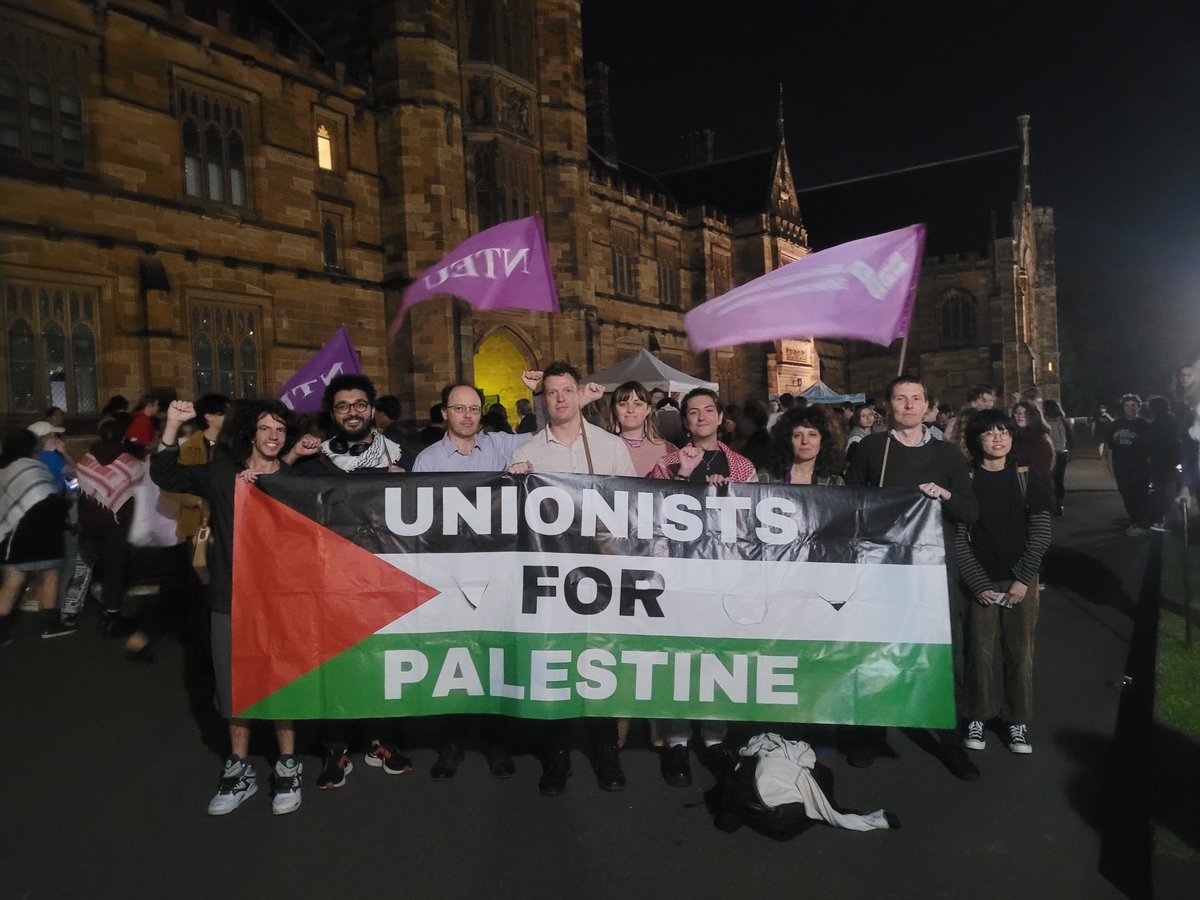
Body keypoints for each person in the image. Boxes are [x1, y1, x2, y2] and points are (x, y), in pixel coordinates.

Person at [150, 398, 305, 816]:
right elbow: (165, 473)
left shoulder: (294, 482)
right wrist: (173, 425)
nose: (273, 437)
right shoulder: (223, 475)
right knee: (235, 686)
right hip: (229, 599)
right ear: (250, 434)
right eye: (265, 429)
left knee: (282, 682)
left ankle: (288, 767)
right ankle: (239, 770)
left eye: (280, 431)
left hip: (281, 603)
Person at [844, 374, 980, 780]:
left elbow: (971, 512)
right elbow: (849, 505)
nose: (908, 405)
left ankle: (951, 742)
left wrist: (946, 495)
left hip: (934, 573)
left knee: (941, 657)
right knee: (876, 652)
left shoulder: (948, 455)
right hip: (884, 571)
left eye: (916, 399)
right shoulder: (872, 449)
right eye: (900, 399)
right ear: (888, 406)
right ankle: (873, 732)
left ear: (928, 406)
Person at [507, 361, 634, 796]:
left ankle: (605, 750)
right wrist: (513, 485)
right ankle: (557, 754)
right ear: (543, 400)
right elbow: (510, 523)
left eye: (567, 390)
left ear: (580, 395)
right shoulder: (525, 454)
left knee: (599, 660)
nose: (560, 398)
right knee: (555, 662)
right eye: (552, 392)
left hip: (600, 576)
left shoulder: (610, 447)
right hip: (549, 578)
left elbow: (633, 510)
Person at [286, 374, 416, 789]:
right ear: (332, 413)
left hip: (386, 577)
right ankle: (336, 747)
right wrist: (290, 453)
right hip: (330, 580)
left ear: (372, 408)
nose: (353, 412)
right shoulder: (313, 461)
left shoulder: (401, 454)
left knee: (382, 659)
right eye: (343, 406)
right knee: (336, 661)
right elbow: (277, 495)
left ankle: (381, 739)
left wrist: (406, 481)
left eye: (360, 404)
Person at [413, 381, 537, 781]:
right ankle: (452, 743)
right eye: (459, 408)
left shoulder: (501, 447)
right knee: (455, 656)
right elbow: (417, 520)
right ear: (444, 413)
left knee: (492, 655)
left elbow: (549, 432)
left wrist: (537, 396)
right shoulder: (429, 460)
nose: (468, 415)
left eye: (474, 408)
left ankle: (495, 741)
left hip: (496, 572)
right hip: (450, 575)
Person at [648, 387, 757, 787]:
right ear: (685, 420)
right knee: (675, 654)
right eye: (693, 412)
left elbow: (753, 524)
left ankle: (713, 738)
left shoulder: (742, 466)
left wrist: (727, 493)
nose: (701, 417)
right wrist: (682, 477)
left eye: (708, 410)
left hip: (721, 575)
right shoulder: (667, 463)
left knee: (716, 654)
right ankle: (676, 740)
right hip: (677, 575)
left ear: (719, 416)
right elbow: (651, 515)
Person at [957, 409, 1052, 755]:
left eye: (1004, 432)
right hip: (980, 580)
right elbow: (959, 538)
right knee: (978, 652)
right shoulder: (965, 481)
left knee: (1020, 652)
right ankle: (978, 714)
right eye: (989, 433)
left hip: (1019, 582)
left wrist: (1024, 578)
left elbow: (1040, 533)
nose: (998, 438)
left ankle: (1017, 721)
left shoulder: (1028, 477)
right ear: (976, 440)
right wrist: (977, 582)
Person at [0, 429, 74, 643]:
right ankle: (50, 626)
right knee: (49, 574)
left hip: (13, 532)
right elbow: (49, 494)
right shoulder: (35, 467)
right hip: (43, 528)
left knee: (12, 580)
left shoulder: (5, 470)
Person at [76, 418, 144, 637]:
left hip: (91, 522)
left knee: (103, 566)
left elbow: (83, 491)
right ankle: (112, 616)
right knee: (116, 568)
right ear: (122, 436)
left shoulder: (85, 460)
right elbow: (136, 489)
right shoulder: (130, 462)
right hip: (118, 523)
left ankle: (106, 610)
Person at [762, 404, 845, 485]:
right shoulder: (765, 479)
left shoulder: (835, 483)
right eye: (797, 435)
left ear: (823, 440)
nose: (805, 441)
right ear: (787, 440)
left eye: (812, 435)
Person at [609, 380, 677, 476]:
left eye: (637, 404)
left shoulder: (668, 450)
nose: (630, 410)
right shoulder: (604, 447)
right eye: (623, 404)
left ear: (648, 410)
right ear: (615, 410)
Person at [1107, 394, 1152, 536]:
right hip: (1121, 466)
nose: (1130, 408)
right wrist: (1109, 466)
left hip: (1140, 467)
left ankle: (1142, 524)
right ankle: (1134, 520)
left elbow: (1151, 449)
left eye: (1133, 405)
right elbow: (1110, 447)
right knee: (1126, 494)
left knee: (1140, 495)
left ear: (1139, 407)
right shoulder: (1116, 424)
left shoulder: (1145, 425)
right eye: (1127, 405)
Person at [1145, 396, 1181, 532]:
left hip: (1160, 463)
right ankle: (1171, 519)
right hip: (1173, 462)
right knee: (1170, 492)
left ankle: (1170, 522)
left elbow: (1151, 444)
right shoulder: (1174, 422)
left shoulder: (1156, 424)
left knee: (1163, 493)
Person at [1011, 401, 1054, 497]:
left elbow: (1040, 472)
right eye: (1018, 413)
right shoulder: (1012, 436)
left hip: (1032, 491)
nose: (1021, 416)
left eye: (1026, 413)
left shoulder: (1040, 440)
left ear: (1034, 416)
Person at [1042, 399, 1073, 516]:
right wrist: (1070, 451)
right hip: (1062, 453)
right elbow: (1071, 438)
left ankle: (1052, 503)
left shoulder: (1046, 423)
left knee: (1049, 478)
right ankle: (1059, 504)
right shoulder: (1064, 422)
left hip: (1052, 453)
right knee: (1059, 479)